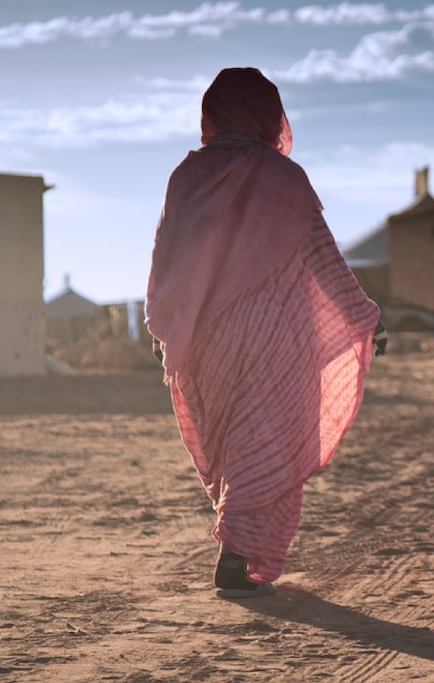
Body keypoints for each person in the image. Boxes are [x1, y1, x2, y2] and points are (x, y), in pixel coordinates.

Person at [145, 67, 385, 599]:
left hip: (208, 339)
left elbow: (166, 256)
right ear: (268, 115)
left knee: (235, 443)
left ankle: (237, 548)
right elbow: (324, 259)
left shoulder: (186, 177)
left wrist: (168, 323)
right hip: (275, 338)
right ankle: (237, 552)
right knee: (267, 439)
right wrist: (363, 313)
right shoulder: (285, 178)